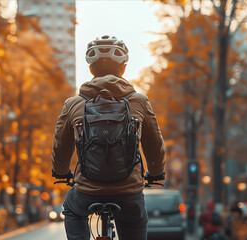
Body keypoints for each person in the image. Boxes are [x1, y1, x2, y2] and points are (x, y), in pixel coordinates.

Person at [51, 35, 166, 240]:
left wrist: (61, 172)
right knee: (135, 217)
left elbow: (61, 146)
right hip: (129, 191)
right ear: (123, 68)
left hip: (87, 191)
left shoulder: (73, 104)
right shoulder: (139, 101)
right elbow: (154, 144)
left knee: (71, 208)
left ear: (91, 69)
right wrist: (155, 173)